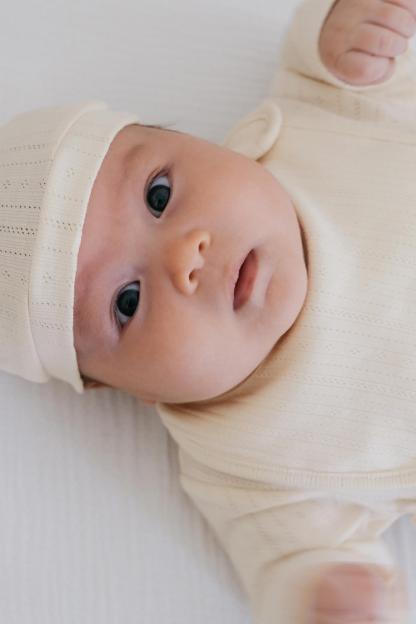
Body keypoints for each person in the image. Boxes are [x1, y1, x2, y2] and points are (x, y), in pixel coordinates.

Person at [1, 0, 416, 621]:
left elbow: (327, 66)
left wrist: (341, 33)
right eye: (127, 302)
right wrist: (323, 596)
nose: (185, 257)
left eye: (158, 194)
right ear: (135, 390)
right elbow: (291, 559)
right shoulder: (240, 463)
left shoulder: (310, 125)